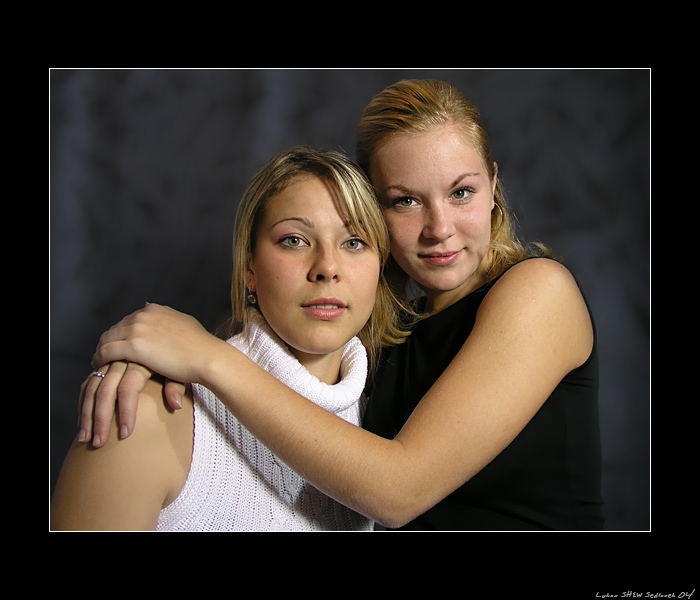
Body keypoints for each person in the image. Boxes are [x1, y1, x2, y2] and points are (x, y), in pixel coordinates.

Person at [74, 79, 604, 530]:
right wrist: (146, 363)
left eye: (461, 192)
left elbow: (398, 491)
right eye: (405, 200)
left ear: (493, 186)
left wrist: (204, 357)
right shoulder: (377, 347)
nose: (439, 228)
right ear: (377, 214)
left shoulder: (540, 292)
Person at [50, 146, 410, 531]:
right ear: (249, 268)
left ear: (380, 267)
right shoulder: (144, 413)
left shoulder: (394, 417)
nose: (327, 267)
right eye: (294, 240)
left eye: (354, 242)